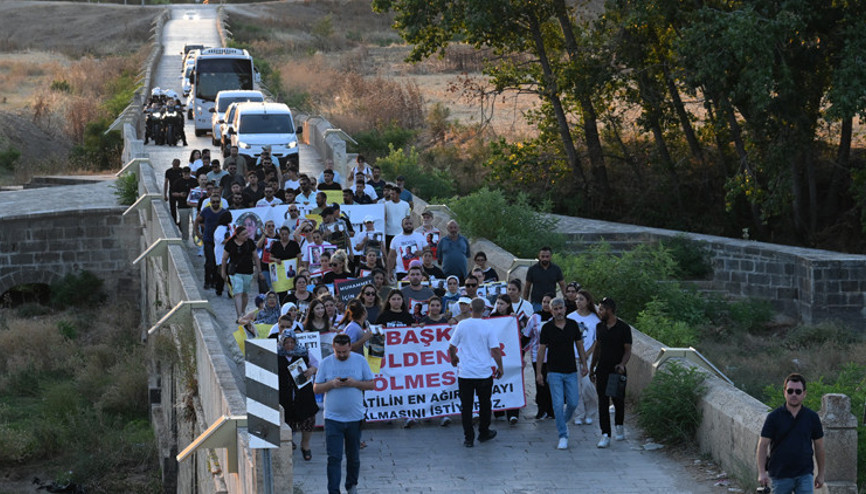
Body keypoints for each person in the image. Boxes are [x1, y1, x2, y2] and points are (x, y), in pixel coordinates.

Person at [313, 333, 375, 494]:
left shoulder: (360, 360)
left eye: (344, 352)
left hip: (355, 417)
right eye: (338, 352)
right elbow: (316, 388)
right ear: (333, 348)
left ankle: (351, 484)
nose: (341, 355)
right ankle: (333, 490)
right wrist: (331, 384)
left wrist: (354, 383)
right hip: (333, 418)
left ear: (350, 348)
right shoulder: (326, 363)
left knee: (353, 456)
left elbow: (371, 384)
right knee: (334, 457)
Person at [448, 297, 503, 448]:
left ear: (470, 309)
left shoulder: (462, 325)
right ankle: (484, 432)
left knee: (466, 406)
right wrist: (500, 367)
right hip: (483, 372)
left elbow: (452, 346)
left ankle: (468, 438)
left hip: (465, 373)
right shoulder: (488, 326)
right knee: (485, 405)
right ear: (484, 310)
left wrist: (454, 359)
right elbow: (496, 351)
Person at [756, 373, 825, 493]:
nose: (794, 394)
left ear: (804, 393)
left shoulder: (812, 417)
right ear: (784, 392)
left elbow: (819, 447)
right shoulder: (774, 417)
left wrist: (821, 474)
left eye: (798, 391)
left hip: (805, 474)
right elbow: (762, 445)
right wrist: (762, 472)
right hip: (780, 475)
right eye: (790, 391)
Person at [536, 297, 588, 450]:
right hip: (554, 371)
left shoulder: (573, 326)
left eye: (561, 308)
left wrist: (584, 364)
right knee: (558, 404)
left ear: (565, 309)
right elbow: (541, 351)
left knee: (572, 402)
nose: (559, 311)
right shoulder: (547, 328)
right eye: (555, 309)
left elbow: (579, 346)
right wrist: (539, 373)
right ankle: (563, 435)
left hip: (571, 370)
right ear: (551, 311)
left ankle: (562, 421)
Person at [590, 297, 631, 448]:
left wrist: (622, 364)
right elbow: (598, 348)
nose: (599, 312)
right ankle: (605, 433)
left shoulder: (623, 328)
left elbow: (628, 350)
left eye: (601, 309)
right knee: (602, 401)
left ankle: (619, 425)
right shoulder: (599, 327)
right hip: (602, 369)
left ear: (609, 310)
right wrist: (592, 367)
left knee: (618, 400)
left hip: (616, 370)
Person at [278, 328, 319, 462]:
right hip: (285, 393)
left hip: (303, 392)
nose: (289, 345)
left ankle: (305, 445)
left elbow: (316, 365)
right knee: (287, 420)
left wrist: (311, 370)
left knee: (307, 418)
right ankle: (289, 442)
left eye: (292, 342)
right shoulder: (276, 354)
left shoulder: (303, 352)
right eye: (286, 342)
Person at [568, 288, 600, 426]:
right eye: (576, 299)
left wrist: (586, 354)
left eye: (581, 299)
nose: (578, 302)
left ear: (588, 301)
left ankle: (591, 412)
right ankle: (579, 414)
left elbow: (597, 340)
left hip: (589, 356)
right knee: (576, 388)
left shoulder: (595, 319)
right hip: (573, 355)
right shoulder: (570, 318)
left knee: (588, 385)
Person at [489, 295, 520, 425]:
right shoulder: (491, 317)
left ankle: (513, 413)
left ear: (508, 304)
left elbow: (520, 336)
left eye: (502, 304)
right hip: (496, 355)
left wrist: (515, 320)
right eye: (498, 303)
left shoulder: (513, 318)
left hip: (511, 354)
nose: (499, 306)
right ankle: (499, 410)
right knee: (497, 382)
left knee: (513, 381)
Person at [524, 293, 555, 419]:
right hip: (538, 356)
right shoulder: (535, 317)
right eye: (544, 301)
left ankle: (552, 410)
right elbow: (526, 336)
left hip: (554, 356)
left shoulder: (557, 318)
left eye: (549, 302)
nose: (546, 304)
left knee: (552, 384)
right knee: (540, 383)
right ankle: (541, 409)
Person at [222, 226, 260, 321]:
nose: (246, 236)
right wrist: (223, 271)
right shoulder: (230, 243)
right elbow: (224, 258)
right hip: (235, 272)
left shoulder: (250, 243)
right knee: (237, 292)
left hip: (248, 271)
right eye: (243, 234)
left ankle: (243, 311)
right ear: (237, 235)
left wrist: (259, 271)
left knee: (245, 293)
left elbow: (256, 257)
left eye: (247, 233)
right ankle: (239, 315)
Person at [195, 190, 229, 292]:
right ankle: (207, 281)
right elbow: (197, 220)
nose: (215, 204)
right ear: (210, 201)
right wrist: (197, 233)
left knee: (216, 261)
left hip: (218, 241)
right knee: (209, 261)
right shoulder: (206, 211)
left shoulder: (223, 212)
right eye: (213, 202)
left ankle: (215, 281)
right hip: (208, 239)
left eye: (217, 202)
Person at [524, 246, 566, 311]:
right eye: (542, 256)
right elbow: (527, 287)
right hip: (536, 303)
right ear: (539, 256)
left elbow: (562, 285)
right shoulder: (532, 269)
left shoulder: (556, 269)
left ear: (550, 256)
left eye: (547, 256)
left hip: (552, 303)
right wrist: (525, 303)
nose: (545, 259)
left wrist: (566, 299)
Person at [387, 217, 426, 281]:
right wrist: (389, 271)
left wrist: (422, 252)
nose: (409, 225)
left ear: (413, 225)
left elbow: (428, 251)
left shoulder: (420, 236)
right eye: (406, 224)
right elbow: (392, 256)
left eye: (410, 224)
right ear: (402, 225)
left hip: (418, 272)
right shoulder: (396, 239)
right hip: (401, 271)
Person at [164, 158, 184, 224]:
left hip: (180, 191)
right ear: (172, 164)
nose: (175, 167)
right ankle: (174, 221)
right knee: (172, 208)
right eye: (174, 165)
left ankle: (181, 221)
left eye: (177, 165)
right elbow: (166, 183)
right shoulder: (168, 171)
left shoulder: (182, 171)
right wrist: (165, 194)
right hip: (172, 191)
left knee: (181, 207)